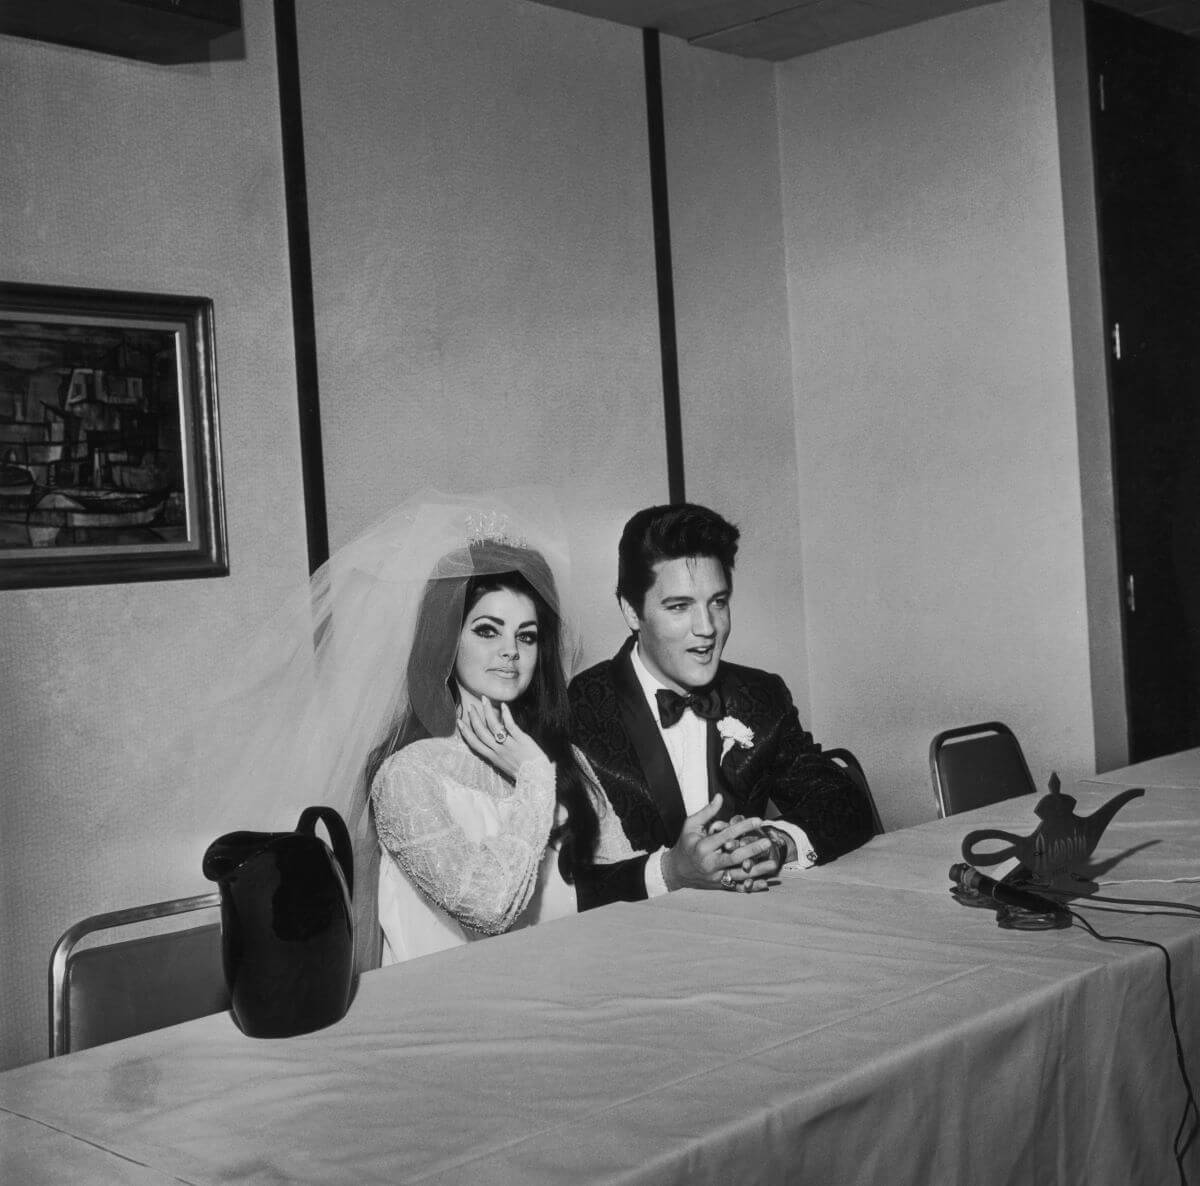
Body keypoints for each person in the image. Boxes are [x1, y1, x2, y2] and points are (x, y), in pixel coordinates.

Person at [568, 502, 875, 908]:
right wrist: (670, 873)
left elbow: (843, 802)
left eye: (717, 602)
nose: (707, 628)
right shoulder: (577, 710)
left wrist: (775, 843)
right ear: (631, 611)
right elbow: (564, 887)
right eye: (679, 606)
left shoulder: (759, 695)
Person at [368, 538, 638, 963]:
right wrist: (533, 774)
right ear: (446, 641)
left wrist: (683, 864)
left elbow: (620, 876)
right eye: (487, 630)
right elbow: (489, 908)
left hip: (574, 979)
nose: (511, 651)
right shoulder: (408, 773)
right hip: (453, 1004)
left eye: (526, 636)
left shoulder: (563, 758)